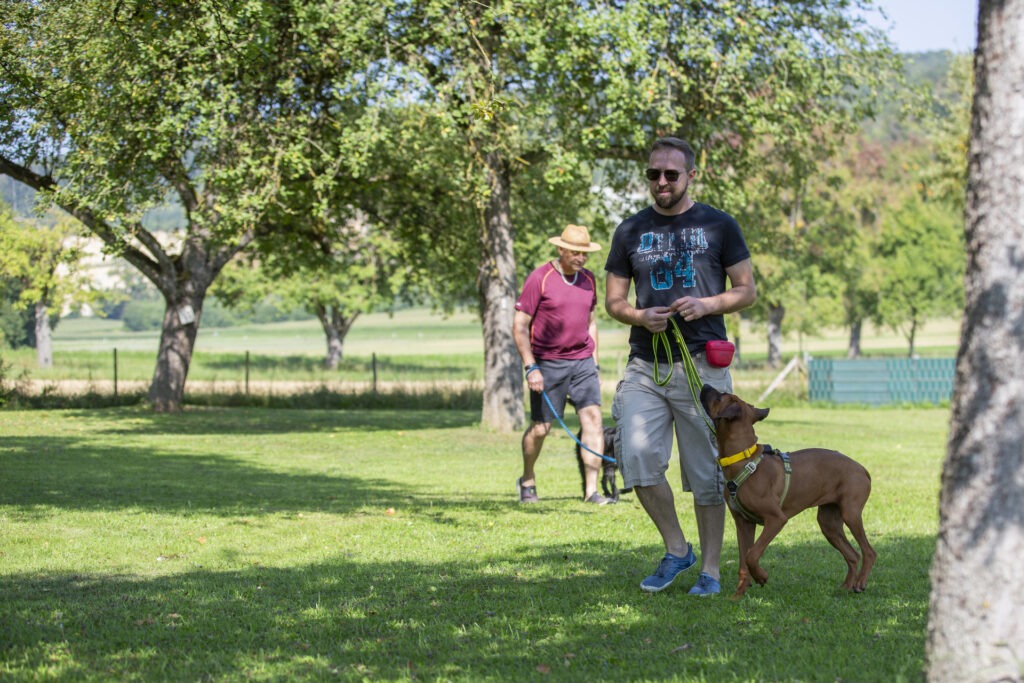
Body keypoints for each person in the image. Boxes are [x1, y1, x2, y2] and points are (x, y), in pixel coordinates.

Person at [604, 137, 756, 595]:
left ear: (691, 175)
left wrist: (708, 303)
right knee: (637, 459)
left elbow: (747, 290)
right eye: (654, 174)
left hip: (702, 368)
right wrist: (638, 315)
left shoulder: (718, 225)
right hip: (646, 366)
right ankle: (677, 549)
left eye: (671, 173)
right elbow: (613, 301)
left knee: (707, 470)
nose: (662, 181)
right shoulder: (629, 231)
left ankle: (710, 570)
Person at [513, 223, 611, 505]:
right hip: (547, 363)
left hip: (582, 363)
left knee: (593, 421)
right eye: (576, 253)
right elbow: (520, 326)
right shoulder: (539, 278)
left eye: (585, 254)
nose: (581, 258)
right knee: (541, 428)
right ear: (561, 249)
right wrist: (531, 366)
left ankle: (591, 491)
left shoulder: (589, 280)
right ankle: (527, 479)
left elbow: (591, 323)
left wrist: (595, 364)